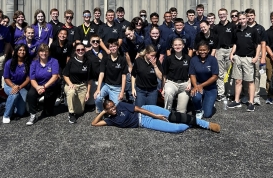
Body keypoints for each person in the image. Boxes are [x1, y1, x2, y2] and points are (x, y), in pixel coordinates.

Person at [91, 99, 220, 133]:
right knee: (177, 129)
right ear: (106, 110)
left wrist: (156, 115)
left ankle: (207, 125)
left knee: (173, 116)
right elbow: (94, 124)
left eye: (113, 106)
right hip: (144, 123)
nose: (114, 109)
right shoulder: (110, 120)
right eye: (110, 108)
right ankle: (192, 123)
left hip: (146, 111)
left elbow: (139, 109)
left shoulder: (121, 105)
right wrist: (102, 113)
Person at [228, 12, 261, 112]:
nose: (242, 21)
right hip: (238, 58)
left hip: (248, 58)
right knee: (238, 80)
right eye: (240, 19)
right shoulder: (236, 31)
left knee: (250, 81)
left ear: (247, 19)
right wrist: (231, 54)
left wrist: (256, 57)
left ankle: (251, 102)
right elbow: (235, 44)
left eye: (243, 19)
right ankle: (237, 101)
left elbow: (258, 45)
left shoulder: (253, 31)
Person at [26, 44, 60, 125]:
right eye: (41, 51)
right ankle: (33, 115)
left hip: (50, 86)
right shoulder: (34, 63)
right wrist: (38, 87)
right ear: (38, 53)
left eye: (46, 51)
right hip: (37, 85)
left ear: (49, 52)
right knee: (31, 94)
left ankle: (43, 102)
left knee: (48, 113)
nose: (44, 53)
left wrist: (44, 87)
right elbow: (32, 79)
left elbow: (55, 77)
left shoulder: (54, 61)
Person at [93, 38, 127, 113]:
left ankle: (109, 110)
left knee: (116, 109)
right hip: (106, 85)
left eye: (114, 46)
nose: (113, 48)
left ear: (118, 46)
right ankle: (101, 111)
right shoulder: (105, 59)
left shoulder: (122, 60)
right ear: (108, 48)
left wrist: (122, 92)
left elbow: (124, 76)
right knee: (97, 97)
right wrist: (98, 89)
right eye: (111, 46)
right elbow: (101, 74)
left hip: (117, 87)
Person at [241, 8, 267, 106]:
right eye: (248, 16)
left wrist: (262, 57)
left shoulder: (260, 28)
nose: (250, 17)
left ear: (254, 16)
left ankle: (255, 96)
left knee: (256, 75)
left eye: (252, 15)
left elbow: (263, 44)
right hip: (246, 56)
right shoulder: (242, 27)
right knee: (245, 76)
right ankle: (246, 94)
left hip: (257, 56)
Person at [63, 43, 92, 123]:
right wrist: (70, 84)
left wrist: (88, 92)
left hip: (82, 86)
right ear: (75, 51)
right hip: (71, 84)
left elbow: (89, 79)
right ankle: (71, 114)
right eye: (78, 50)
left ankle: (71, 102)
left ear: (85, 50)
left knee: (80, 111)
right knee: (71, 92)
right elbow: (65, 75)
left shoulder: (88, 62)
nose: (80, 51)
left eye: (82, 49)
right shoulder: (71, 61)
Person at [2, 44, 31, 123]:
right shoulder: (9, 62)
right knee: (14, 94)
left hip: (22, 86)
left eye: (24, 50)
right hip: (10, 85)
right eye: (20, 50)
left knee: (21, 112)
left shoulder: (28, 63)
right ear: (16, 51)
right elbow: (6, 78)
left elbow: (28, 79)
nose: (22, 52)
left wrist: (20, 87)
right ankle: (6, 115)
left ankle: (12, 105)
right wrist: (13, 86)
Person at [190, 41, 219, 118]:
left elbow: (215, 76)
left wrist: (201, 85)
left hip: (210, 87)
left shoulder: (213, 60)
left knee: (207, 114)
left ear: (208, 50)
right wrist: (196, 86)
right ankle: (198, 109)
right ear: (197, 51)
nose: (202, 52)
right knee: (196, 96)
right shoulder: (193, 60)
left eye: (204, 50)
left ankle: (208, 102)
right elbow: (192, 75)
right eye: (200, 50)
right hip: (198, 84)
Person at [162, 38, 191, 113]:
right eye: (175, 45)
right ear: (172, 46)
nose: (177, 46)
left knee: (182, 112)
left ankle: (178, 117)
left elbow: (191, 73)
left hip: (184, 84)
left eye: (179, 45)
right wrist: (163, 88)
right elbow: (164, 75)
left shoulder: (188, 58)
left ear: (183, 46)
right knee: (168, 92)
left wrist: (190, 83)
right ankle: (166, 114)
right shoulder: (168, 59)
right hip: (172, 83)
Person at [213, 8, 234, 101]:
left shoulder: (233, 26)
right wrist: (215, 52)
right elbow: (214, 41)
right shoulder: (216, 27)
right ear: (218, 16)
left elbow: (235, 40)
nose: (222, 16)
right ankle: (221, 93)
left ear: (227, 14)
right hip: (220, 50)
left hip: (230, 50)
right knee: (220, 73)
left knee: (231, 72)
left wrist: (233, 52)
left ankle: (230, 93)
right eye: (220, 14)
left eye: (223, 14)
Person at [49, 28, 73, 105]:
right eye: (61, 34)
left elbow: (68, 57)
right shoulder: (53, 45)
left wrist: (66, 69)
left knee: (66, 79)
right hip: (56, 64)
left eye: (65, 34)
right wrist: (56, 71)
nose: (63, 35)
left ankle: (66, 96)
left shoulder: (69, 44)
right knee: (57, 79)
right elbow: (52, 59)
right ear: (58, 34)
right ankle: (58, 96)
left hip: (65, 64)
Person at [85, 34, 104, 111]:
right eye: (93, 41)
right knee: (90, 104)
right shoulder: (87, 54)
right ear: (90, 42)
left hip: (102, 81)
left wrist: (102, 59)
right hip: (91, 80)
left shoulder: (104, 53)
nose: (95, 42)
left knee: (100, 101)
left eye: (97, 41)